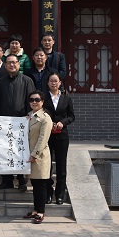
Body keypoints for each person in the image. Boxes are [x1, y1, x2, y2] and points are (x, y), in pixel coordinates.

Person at [0, 54, 35, 191]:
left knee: (20, 152)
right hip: (4, 123)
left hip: (21, 124)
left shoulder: (27, 80)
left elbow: (32, 101)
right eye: (9, 63)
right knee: (4, 151)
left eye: (14, 62)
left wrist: (29, 115)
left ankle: (22, 180)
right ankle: (6, 180)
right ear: (5, 65)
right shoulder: (0, 82)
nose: (12, 65)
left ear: (19, 64)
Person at [22, 90, 53, 224]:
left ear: (42, 102)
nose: (34, 102)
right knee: (34, 184)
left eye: (37, 100)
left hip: (40, 157)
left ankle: (41, 212)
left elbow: (43, 139)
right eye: (31, 100)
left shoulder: (45, 118)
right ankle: (36, 210)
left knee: (41, 185)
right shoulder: (29, 116)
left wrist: (34, 154)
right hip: (30, 156)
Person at [44, 72, 75, 205]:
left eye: (56, 81)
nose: (53, 83)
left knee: (61, 166)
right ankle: (48, 193)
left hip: (62, 135)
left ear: (60, 83)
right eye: (51, 81)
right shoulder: (43, 98)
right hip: (47, 135)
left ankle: (60, 195)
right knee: (47, 166)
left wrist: (63, 122)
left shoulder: (66, 98)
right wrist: (49, 123)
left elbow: (71, 116)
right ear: (48, 83)